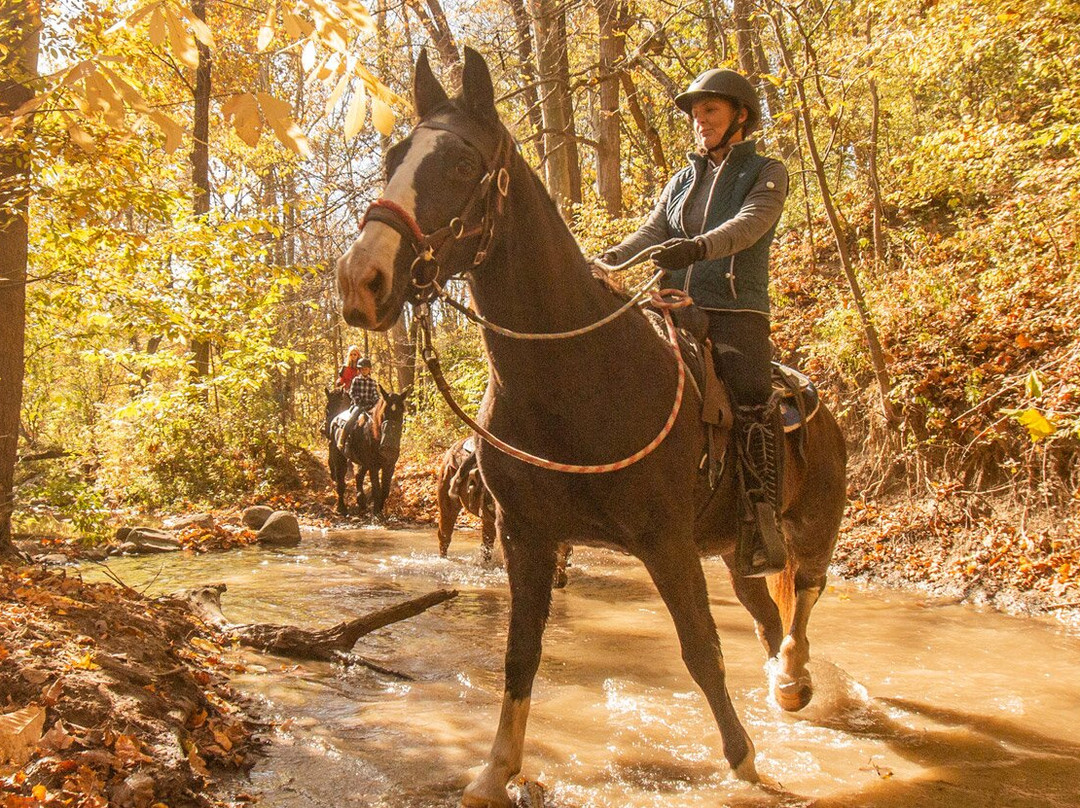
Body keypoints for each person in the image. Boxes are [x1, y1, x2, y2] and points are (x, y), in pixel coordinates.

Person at [595, 68, 789, 578]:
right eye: (696, 114)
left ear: (740, 116)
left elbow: (750, 225)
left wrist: (698, 247)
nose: (699, 122)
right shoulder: (681, 180)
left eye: (710, 111)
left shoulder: (767, 171)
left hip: (732, 309)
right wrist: (603, 261)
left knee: (749, 392)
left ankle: (760, 517)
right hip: (669, 305)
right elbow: (652, 231)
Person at [336, 356, 380, 451]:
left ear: (369, 370)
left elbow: (375, 394)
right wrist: (358, 400)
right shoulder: (356, 380)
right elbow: (352, 392)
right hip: (358, 405)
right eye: (362, 369)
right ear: (359, 370)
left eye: (366, 369)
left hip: (369, 406)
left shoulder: (372, 382)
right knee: (352, 419)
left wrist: (375, 401)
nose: (364, 371)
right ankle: (342, 438)